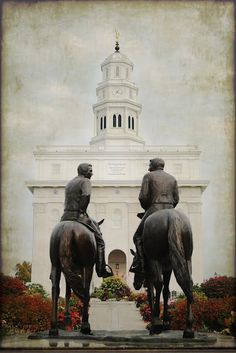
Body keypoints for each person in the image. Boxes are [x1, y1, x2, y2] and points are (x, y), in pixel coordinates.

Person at [61, 163, 113, 278]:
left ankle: (54, 270)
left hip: (64, 217)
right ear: (84, 172)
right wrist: (82, 212)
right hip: (77, 216)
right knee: (100, 242)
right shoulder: (85, 181)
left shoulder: (69, 183)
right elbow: (86, 195)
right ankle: (101, 269)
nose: (92, 173)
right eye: (90, 171)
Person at [129, 158, 179, 277]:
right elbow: (176, 199)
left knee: (137, 237)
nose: (148, 168)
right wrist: (169, 207)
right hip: (171, 208)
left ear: (154, 166)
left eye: (149, 165)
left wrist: (147, 208)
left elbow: (143, 197)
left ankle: (140, 265)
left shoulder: (148, 176)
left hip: (154, 209)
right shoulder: (172, 178)